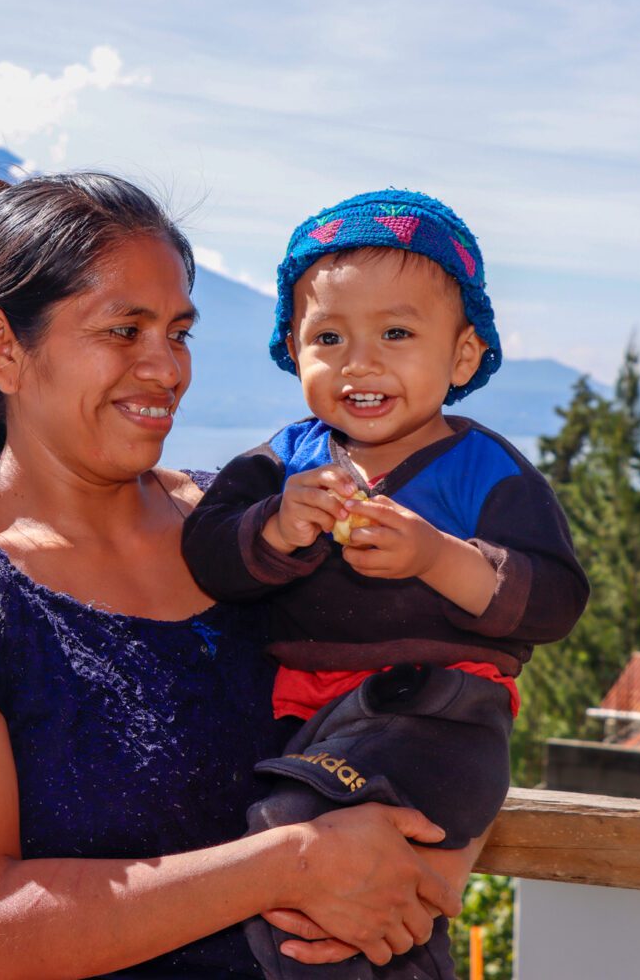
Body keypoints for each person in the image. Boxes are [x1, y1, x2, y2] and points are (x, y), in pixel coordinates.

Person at [0, 174, 484, 979]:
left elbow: (458, 669)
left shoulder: (252, 524)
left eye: (178, 332)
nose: (167, 368)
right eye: (124, 330)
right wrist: (291, 864)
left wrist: (429, 871)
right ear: (2, 347)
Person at [181, 189, 590, 978]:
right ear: (293, 349)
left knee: (298, 838)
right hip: (306, 718)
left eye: (396, 333)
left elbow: (553, 600)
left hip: (436, 715)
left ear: (462, 356)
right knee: (294, 874)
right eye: (328, 337)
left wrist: (438, 558)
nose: (359, 362)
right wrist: (275, 528)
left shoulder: (483, 470)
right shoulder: (286, 462)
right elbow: (208, 553)